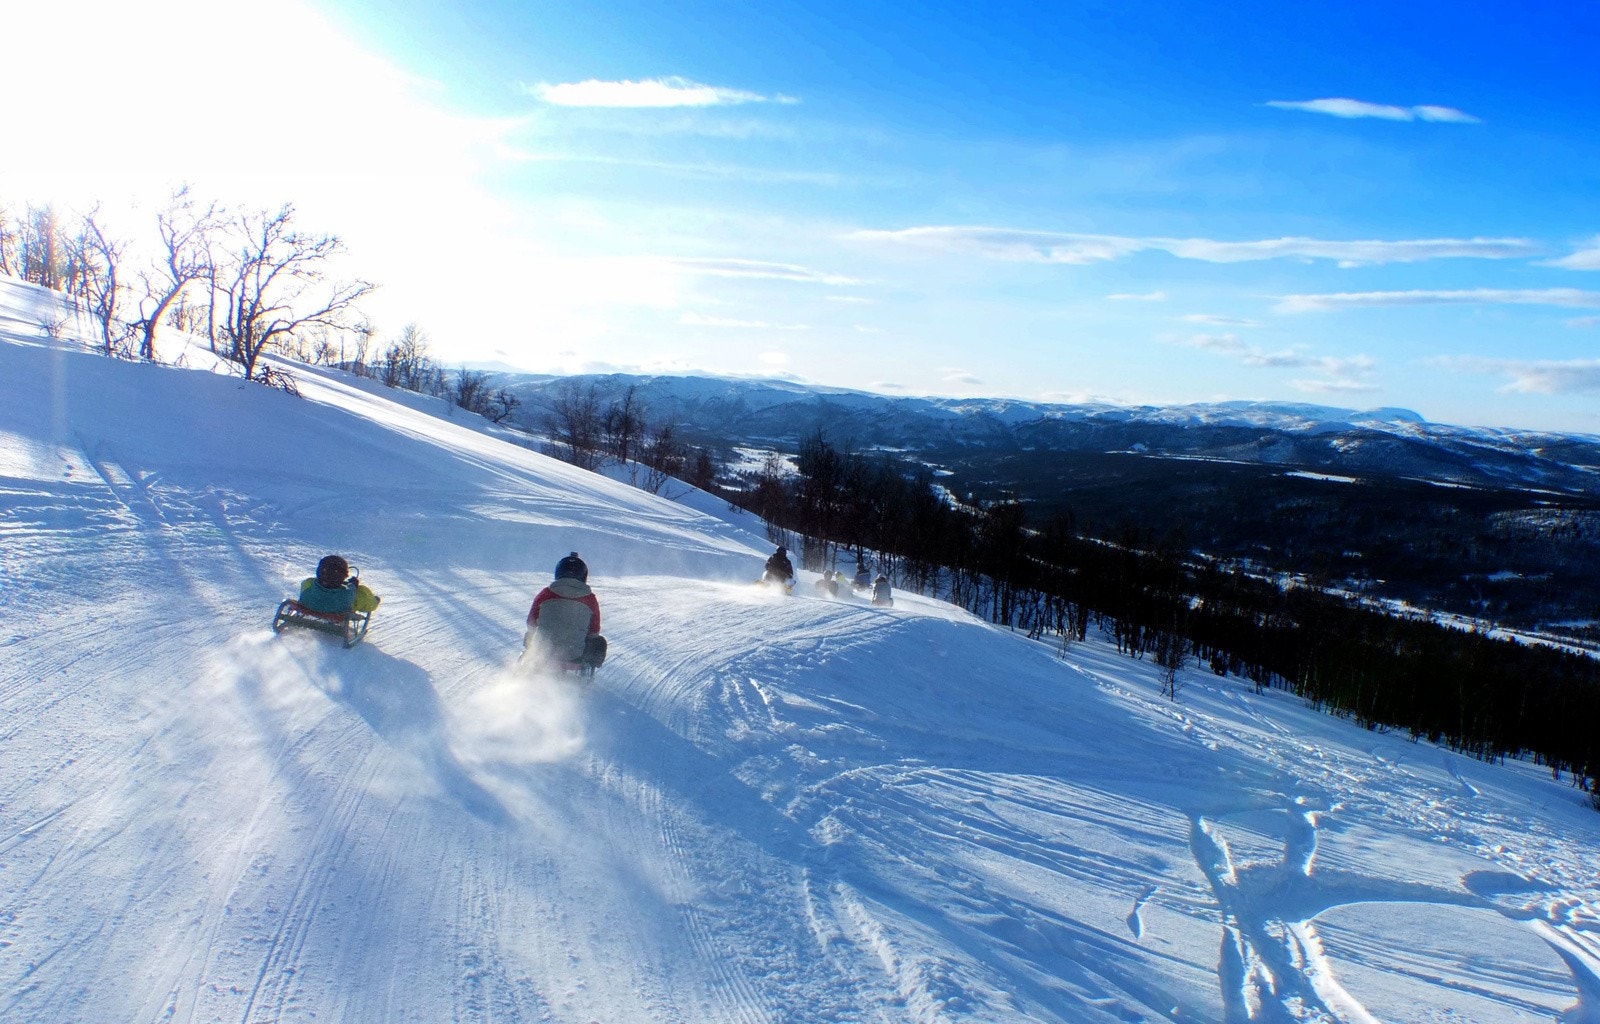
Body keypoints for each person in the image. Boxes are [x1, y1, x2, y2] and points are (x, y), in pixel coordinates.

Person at [524, 551, 606, 671]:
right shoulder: (590, 599)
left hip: (542, 652)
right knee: (599, 642)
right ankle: (586, 671)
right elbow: (594, 631)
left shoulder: (546, 593)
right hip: (573, 656)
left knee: (530, 635)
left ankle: (525, 664)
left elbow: (531, 622)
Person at [297, 554, 380, 615]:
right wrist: (353, 584)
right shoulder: (346, 595)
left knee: (310, 583)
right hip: (338, 611)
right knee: (361, 592)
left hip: (309, 606)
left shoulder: (308, 583)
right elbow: (351, 590)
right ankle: (373, 602)